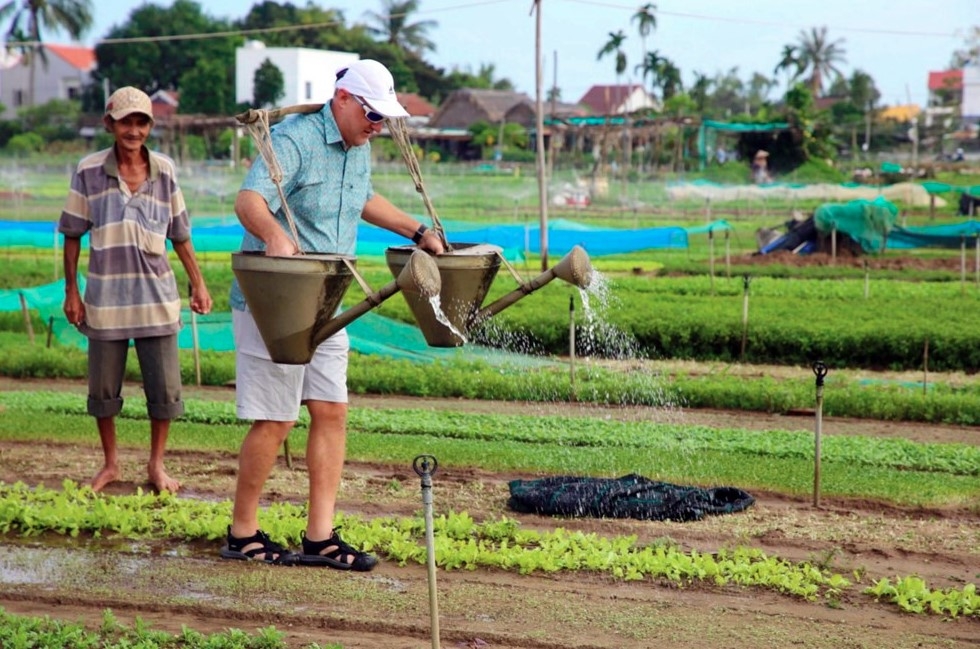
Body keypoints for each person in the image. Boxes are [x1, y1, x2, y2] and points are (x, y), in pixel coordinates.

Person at [222, 59, 445, 569]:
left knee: (331, 410)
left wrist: (417, 231)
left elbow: (361, 198)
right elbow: (249, 198)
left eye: (384, 119)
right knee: (276, 420)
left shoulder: (357, 147)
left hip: (328, 298)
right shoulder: (296, 139)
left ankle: (319, 536)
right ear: (343, 99)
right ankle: (242, 532)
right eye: (371, 114)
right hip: (274, 299)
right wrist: (276, 236)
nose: (377, 126)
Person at [58, 86, 213, 494]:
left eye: (141, 121)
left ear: (150, 127)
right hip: (106, 299)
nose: (133, 129)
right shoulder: (89, 170)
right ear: (110, 124)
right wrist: (72, 292)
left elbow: (180, 234)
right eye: (125, 121)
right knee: (103, 390)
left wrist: (198, 284)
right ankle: (110, 464)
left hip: (156, 299)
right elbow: (72, 233)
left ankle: (156, 465)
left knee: (164, 390)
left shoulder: (164, 171)